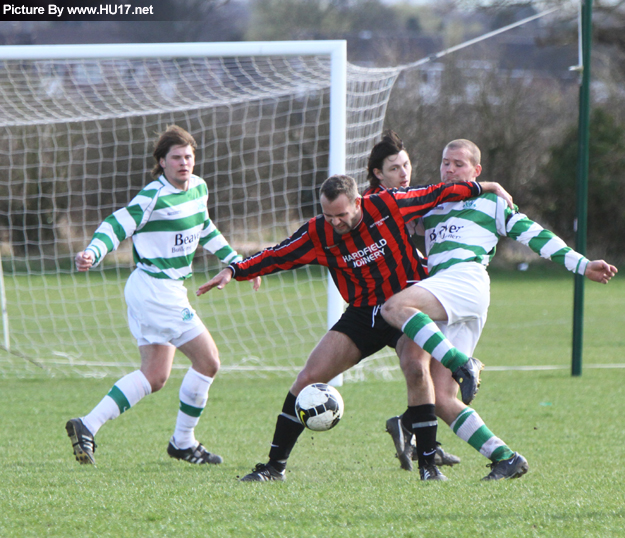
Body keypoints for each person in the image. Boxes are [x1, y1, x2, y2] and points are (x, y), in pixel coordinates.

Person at [198, 173, 512, 481]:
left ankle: (429, 468)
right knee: (308, 377)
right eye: (328, 215)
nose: (335, 222)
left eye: (342, 215)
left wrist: (485, 185)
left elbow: (437, 192)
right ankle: (273, 467)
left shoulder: (388, 205)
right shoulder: (318, 232)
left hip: (408, 304)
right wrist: (234, 270)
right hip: (364, 313)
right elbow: (279, 254)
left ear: (358, 202)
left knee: (416, 368)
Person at [380, 138, 618, 480]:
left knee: (395, 306)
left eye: (458, 164)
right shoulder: (431, 203)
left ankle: (462, 364)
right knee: (442, 397)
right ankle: (506, 458)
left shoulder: (490, 202)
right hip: (449, 294)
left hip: (466, 281)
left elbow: (534, 235)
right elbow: (387, 213)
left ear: (476, 171)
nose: (449, 169)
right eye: (445, 162)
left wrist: (582, 265)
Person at [66, 125, 260, 466]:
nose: (184, 163)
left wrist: (237, 262)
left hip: (160, 290)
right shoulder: (153, 195)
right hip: (155, 289)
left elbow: (205, 228)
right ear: (162, 162)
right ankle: (183, 442)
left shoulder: (199, 188)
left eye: (188, 157)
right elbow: (116, 224)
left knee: (155, 375)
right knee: (209, 360)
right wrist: (93, 252)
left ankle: (87, 424)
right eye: (176, 157)